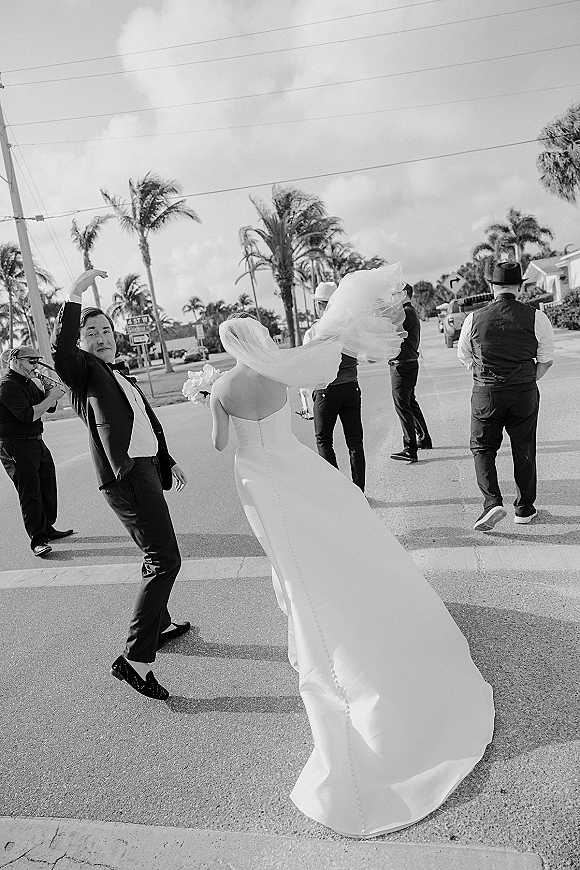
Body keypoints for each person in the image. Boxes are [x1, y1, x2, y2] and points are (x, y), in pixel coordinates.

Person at [200, 266, 493, 838]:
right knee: (323, 543)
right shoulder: (280, 377)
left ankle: (307, 622)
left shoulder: (223, 389)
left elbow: (219, 443)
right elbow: (294, 424)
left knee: (288, 558)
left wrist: (207, 403)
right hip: (295, 467)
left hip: (258, 479)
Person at [52, 269, 190, 701]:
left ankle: (160, 621)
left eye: (106, 330)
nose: (101, 337)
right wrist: (73, 294)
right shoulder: (85, 373)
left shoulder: (118, 373)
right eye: (91, 332)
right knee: (164, 558)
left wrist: (166, 461)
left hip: (146, 468)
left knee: (157, 553)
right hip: (126, 476)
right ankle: (134, 659)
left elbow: (145, 422)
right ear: (82, 341)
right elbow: (61, 350)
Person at [457, 261, 554, 532]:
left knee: (483, 448)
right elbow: (546, 360)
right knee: (524, 447)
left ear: (492, 287)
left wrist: (485, 376)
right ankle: (524, 509)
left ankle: (491, 502)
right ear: (520, 286)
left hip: (486, 393)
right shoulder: (536, 317)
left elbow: (464, 355)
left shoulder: (473, 318)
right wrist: (526, 378)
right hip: (523, 392)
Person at [0, 345, 73, 557]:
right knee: (30, 492)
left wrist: (49, 391)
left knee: (47, 485)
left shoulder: (29, 382)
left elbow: (48, 407)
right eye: (31, 361)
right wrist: (51, 397)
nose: (36, 365)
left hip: (35, 442)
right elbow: (28, 415)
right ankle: (38, 541)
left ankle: (47, 528)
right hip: (15, 446)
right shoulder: (7, 386)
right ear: (16, 361)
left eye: (37, 361)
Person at [303, 281, 365, 491]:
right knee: (355, 443)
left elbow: (307, 366)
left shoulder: (314, 332)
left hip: (326, 391)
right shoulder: (351, 328)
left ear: (320, 305)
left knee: (324, 441)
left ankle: (339, 491)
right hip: (351, 387)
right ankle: (359, 491)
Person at [389, 283, 432, 463]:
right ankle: (423, 438)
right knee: (410, 402)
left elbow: (391, 332)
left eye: (395, 293)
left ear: (404, 294)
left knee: (402, 405)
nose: (392, 297)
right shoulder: (410, 311)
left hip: (402, 365)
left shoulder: (406, 312)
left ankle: (409, 448)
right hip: (408, 363)